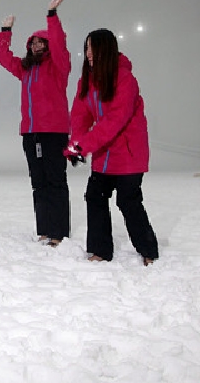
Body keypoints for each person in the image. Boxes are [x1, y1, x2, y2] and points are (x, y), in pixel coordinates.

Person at [65, 28, 159, 266]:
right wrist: (76, 142)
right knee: (95, 197)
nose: (87, 53)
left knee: (128, 202)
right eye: (86, 48)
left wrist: (83, 145)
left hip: (128, 154)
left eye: (92, 47)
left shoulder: (125, 79)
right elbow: (80, 115)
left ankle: (148, 250)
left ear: (106, 49)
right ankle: (99, 250)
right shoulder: (86, 81)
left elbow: (114, 121)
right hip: (103, 155)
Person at [0, 0, 72, 246]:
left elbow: (60, 44)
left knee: (55, 181)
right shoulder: (26, 69)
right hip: (31, 133)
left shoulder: (59, 66)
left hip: (54, 132)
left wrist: (52, 15)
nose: (37, 46)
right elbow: (3, 59)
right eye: (33, 43)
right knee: (38, 182)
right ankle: (45, 229)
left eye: (42, 42)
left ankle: (58, 232)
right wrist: (5, 31)